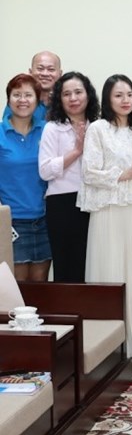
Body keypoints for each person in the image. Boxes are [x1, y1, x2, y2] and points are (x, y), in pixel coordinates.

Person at [79, 74, 132, 369]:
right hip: (108, 212)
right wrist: (124, 175)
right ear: (107, 99)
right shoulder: (98, 129)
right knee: (110, 271)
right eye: (118, 95)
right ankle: (109, 348)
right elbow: (89, 172)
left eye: (129, 94)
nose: (126, 100)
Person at [38, 72, 100, 283]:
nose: (73, 98)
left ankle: (91, 313)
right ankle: (68, 315)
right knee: (66, 265)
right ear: (59, 99)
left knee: (93, 263)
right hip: (62, 202)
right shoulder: (52, 128)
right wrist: (76, 151)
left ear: (88, 95)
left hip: (95, 202)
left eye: (78, 92)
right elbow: (45, 171)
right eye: (66, 94)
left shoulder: (99, 126)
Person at [0, 74, 51, 280]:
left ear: (37, 100)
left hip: (45, 220)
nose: (23, 100)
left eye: (28, 95)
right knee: (17, 290)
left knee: (41, 289)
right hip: (12, 222)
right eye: (17, 95)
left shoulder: (48, 131)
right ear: (8, 99)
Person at [3, 51, 61, 122]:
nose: (45, 74)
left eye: (51, 69)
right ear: (30, 72)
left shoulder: (66, 102)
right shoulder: (20, 101)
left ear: (60, 74)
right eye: (40, 69)